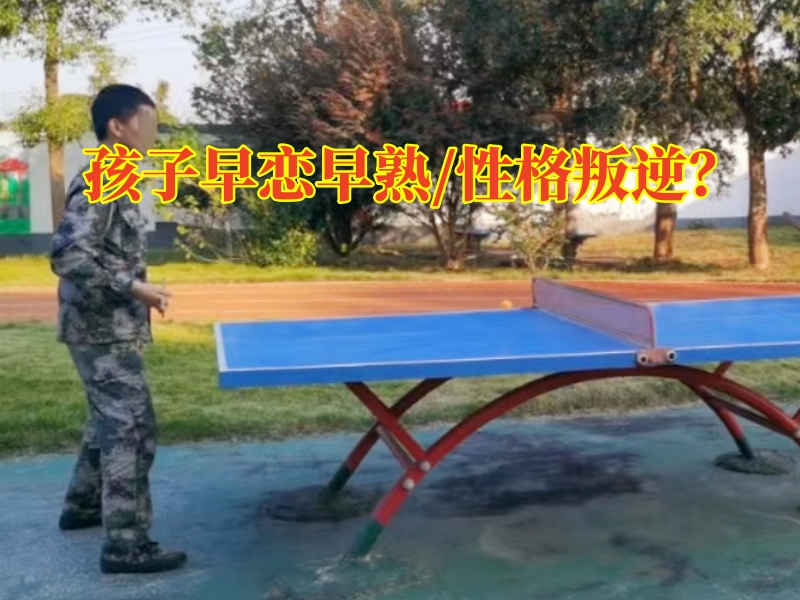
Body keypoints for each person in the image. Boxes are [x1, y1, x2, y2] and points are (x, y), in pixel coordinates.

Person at [50, 84, 186, 574]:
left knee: (106, 419)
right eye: (146, 123)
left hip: (103, 325)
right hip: (99, 329)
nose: (152, 133)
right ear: (117, 126)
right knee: (132, 429)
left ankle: (83, 506)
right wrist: (134, 287)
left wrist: (136, 291)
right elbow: (67, 255)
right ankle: (125, 546)